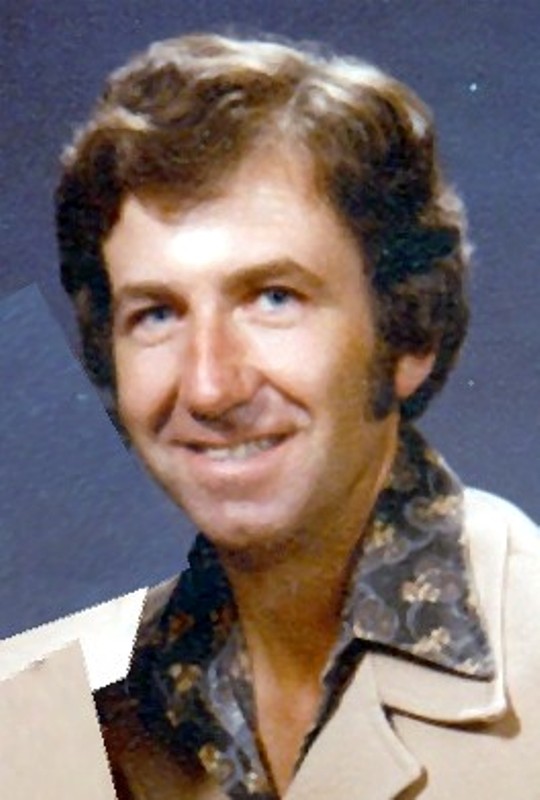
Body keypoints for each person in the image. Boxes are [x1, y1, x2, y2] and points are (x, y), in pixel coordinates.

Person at [55, 33, 540, 799]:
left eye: (273, 298)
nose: (209, 386)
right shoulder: (56, 716)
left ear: (408, 330)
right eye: (157, 314)